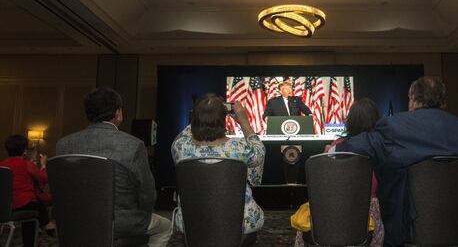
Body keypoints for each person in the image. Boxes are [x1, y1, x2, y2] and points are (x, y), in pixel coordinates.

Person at [333, 77, 458, 246]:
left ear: (412, 99)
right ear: (443, 101)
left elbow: (354, 146)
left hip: (406, 231)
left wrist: (333, 149)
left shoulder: (394, 128)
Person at [56, 87, 172, 247]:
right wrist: (144, 213)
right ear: (118, 113)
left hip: (73, 222)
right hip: (121, 223)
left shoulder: (63, 145)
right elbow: (147, 194)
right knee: (166, 227)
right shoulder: (133, 145)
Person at [292, 98, 385, 247]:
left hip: (336, 209)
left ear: (351, 120)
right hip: (371, 216)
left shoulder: (337, 146)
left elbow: (325, 183)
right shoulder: (383, 146)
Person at [171, 94, 266, 236]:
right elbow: (259, 152)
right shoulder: (240, 148)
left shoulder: (180, 146)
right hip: (240, 225)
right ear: (223, 120)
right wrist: (244, 122)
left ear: (194, 118)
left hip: (192, 225)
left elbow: (185, 133)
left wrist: (204, 113)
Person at [0, 135, 50, 247]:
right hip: (23, 204)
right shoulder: (27, 164)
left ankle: (44, 228)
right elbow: (44, 178)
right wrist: (43, 165)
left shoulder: (2, 166)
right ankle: (43, 230)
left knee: (36, 205)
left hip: (5, 207)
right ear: (24, 151)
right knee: (38, 207)